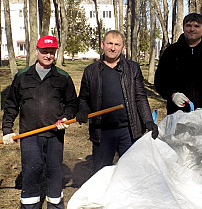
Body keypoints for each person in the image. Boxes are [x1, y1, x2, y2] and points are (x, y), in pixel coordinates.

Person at [154, 13, 202, 209]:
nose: (192, 29)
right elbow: (160, 81)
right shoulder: (172, 52)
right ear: (183, 27)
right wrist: (171, 94)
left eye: (196, 26)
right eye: (189, 25)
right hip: (179, 118)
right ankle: (178, 198)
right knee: (179, 159)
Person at [1, 36, 77, 209]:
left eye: (51, 52)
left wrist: (66, 117)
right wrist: (7, 129)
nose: (48, 55)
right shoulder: (22, 76)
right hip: (29, 135)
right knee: (31, 170)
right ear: (36, 51)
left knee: (54, 172)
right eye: (44, 51)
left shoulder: (63, 77)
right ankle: (29, 206)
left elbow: (72, 103)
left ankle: (56, 205)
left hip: (55, 135)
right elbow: (11, 105)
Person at [76, 30, 158, 173]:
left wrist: (148, 120)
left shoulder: (132, 68)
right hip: (102, 131)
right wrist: (83, 110)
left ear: (123, 47)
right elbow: (83, 98)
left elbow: (140, 96)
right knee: (101, 174)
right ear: (102, 45)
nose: (113, 48)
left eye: (117, 44)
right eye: (109, 43)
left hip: (128, 130)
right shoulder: (91, 71)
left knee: (131, 173)